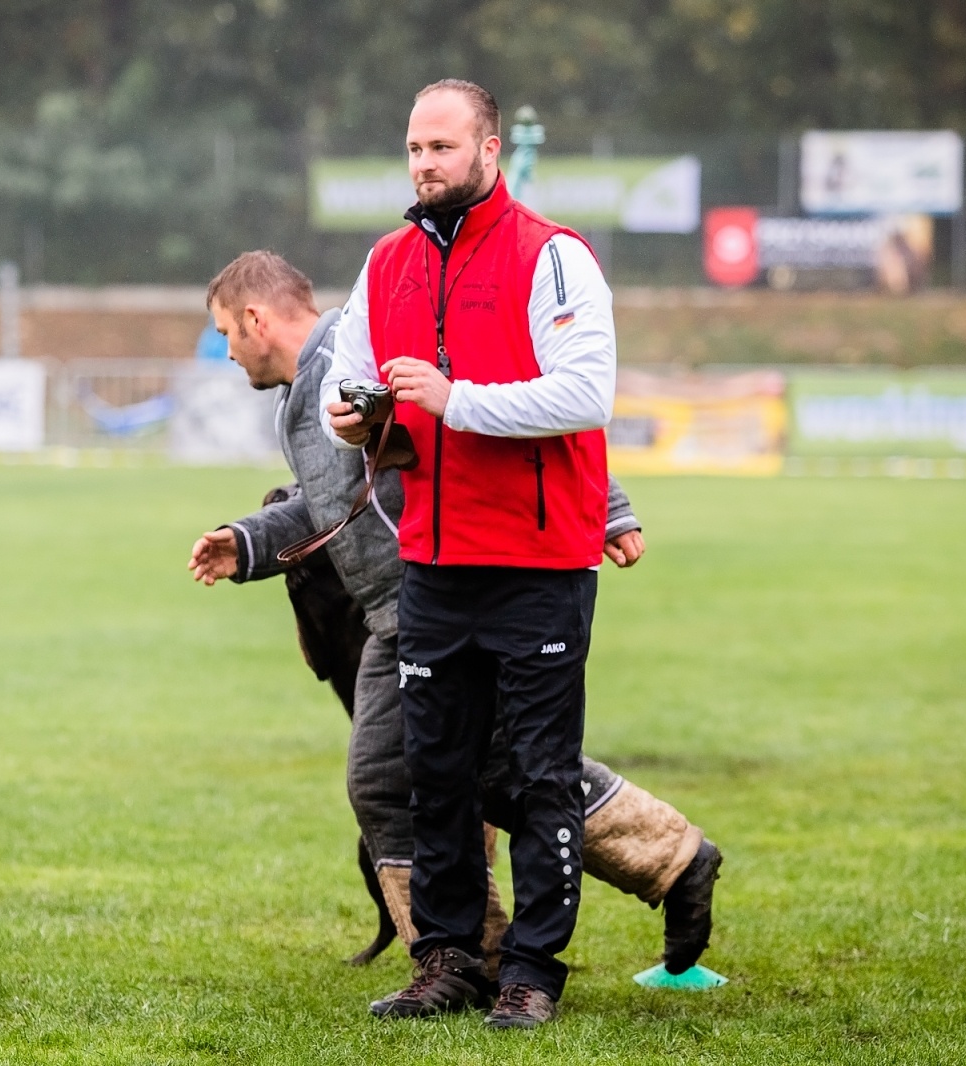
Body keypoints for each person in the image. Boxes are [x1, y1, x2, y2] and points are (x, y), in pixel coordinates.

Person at [188, 249, 722, 1009]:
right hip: (395, 607)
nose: (227, 351)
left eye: (224, 334)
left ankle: (657, 866)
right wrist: (245, 543)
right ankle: (468, 954)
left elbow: (502, 402)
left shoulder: (357, 347)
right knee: (410, 776)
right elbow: (331, 503)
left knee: (493, 770)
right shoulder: (303, 392)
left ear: (254, 318)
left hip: (441, 588)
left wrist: (607, 503)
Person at [321, 79, 620, 1027]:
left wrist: (456, 399)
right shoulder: (386, 261)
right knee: (434, 769)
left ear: (490, 150)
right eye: (413, 148)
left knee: (538, 775)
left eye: (442, 147)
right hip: (434, 560)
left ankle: (533, 968)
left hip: (539, 561)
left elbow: (586, 393)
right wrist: (349, 414)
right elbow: (347, 378)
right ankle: (449, 959)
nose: (424, 164)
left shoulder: (555, 255)